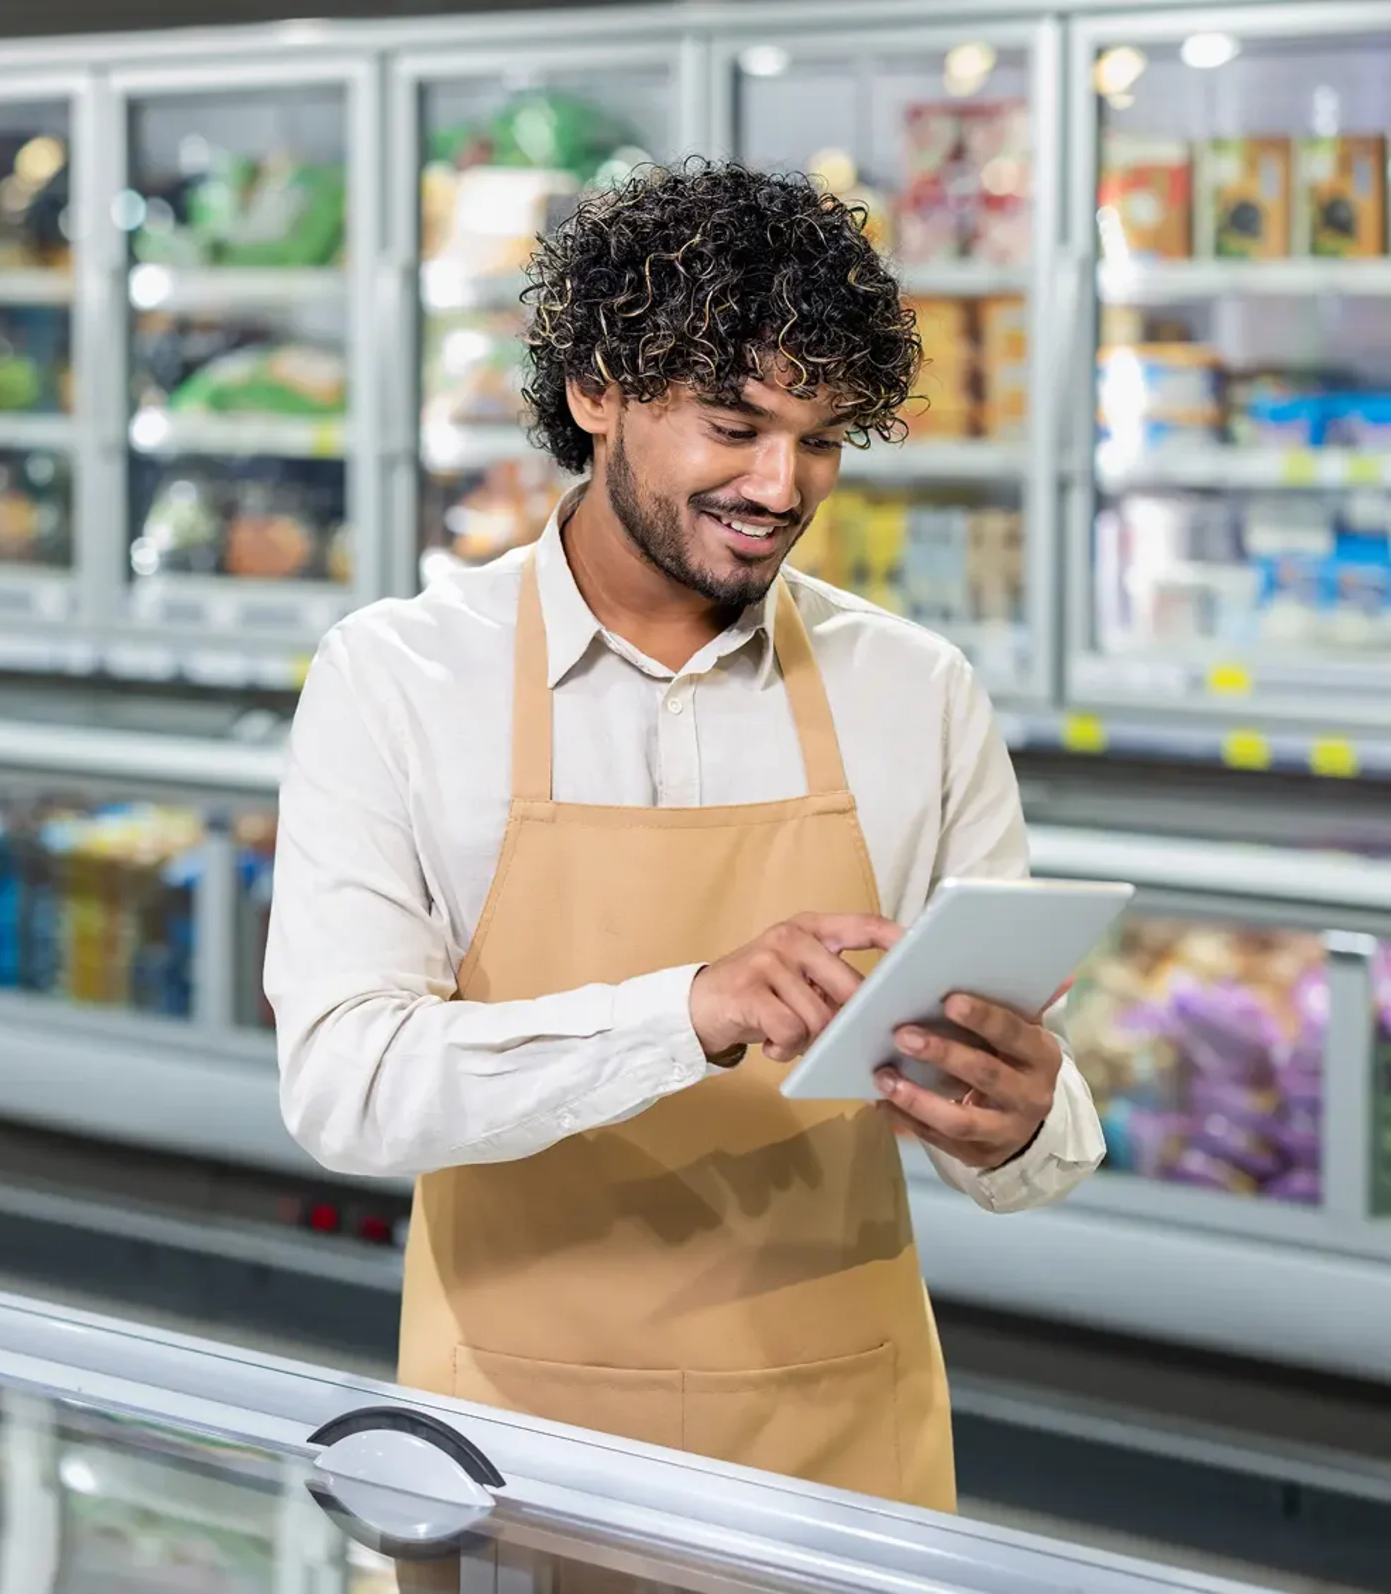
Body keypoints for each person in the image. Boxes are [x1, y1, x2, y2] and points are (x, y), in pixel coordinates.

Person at [265, 160, 1104, 1515]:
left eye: (822, 437)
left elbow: (1035, 1128)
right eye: (734, 424)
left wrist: (1018, 1124)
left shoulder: (917, 690)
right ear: (596, 391)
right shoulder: (398, 678)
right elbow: (346, 1088)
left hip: (840, 1452)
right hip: (508, 1452)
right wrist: (691, 1008)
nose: (782, 484)